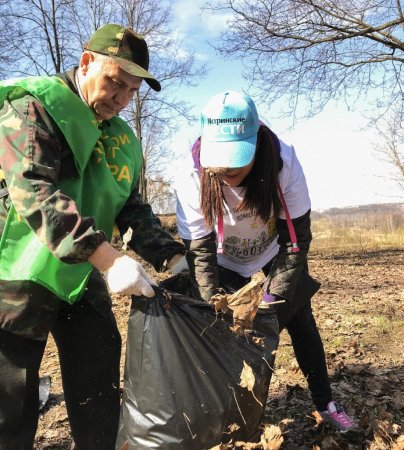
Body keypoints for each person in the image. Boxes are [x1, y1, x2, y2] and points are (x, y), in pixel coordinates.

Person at [0, 24, 188, 450]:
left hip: (81, 276)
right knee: (10, 407)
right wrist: (108, 257)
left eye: (131, 91)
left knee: (98, 387)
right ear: (86, 63)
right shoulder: (36, 108)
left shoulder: (122, 138)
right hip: (18, 272)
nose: (121, 99)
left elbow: (130, 206)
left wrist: (171, 256)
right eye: (114, 83)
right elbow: (34, 190)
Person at [174, 90, 356, 433]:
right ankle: (232, 417)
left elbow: (296, 240)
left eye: (237, 158)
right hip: (224, 258)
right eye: (220, 160)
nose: (227, 169)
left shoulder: (283, 161)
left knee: (301, 320)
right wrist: (213, 300)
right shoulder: (190, 175)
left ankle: (326, 403)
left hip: (274, 251)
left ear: (256, 140)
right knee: (228, 333)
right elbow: (200, 252)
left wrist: (274, 298)